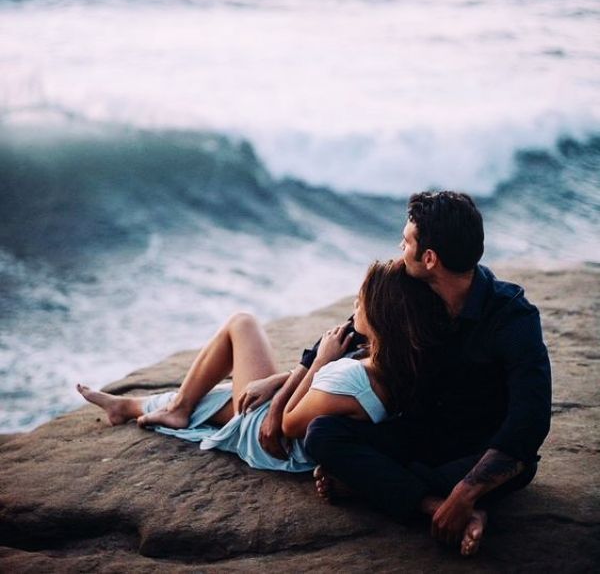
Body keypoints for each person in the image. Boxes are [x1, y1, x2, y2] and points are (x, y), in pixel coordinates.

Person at [303, 191, 552, 557]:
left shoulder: (512, 317)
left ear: (430, 258)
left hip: (481, 452)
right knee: (322, 434)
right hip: (422, 434)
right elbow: (356, 325)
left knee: (517, 467)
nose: (400, 250)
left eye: (406, 241)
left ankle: (418, 495)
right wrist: (300, 370)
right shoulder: (414, 287)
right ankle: (437, 507)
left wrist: (466, 490)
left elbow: (529, 423)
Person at [77, 258, 445, 476]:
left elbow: (285, 423)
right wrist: (281, 379)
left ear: (380, 316)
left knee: (242, 323)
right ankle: (128, 406)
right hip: (296, 420)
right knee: (223, 398)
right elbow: (323, 400)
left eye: (360, 301)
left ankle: (177, 407)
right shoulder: (397, 364)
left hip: (274, 444)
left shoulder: (349, 377)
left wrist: (319, 362)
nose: (354, 306)